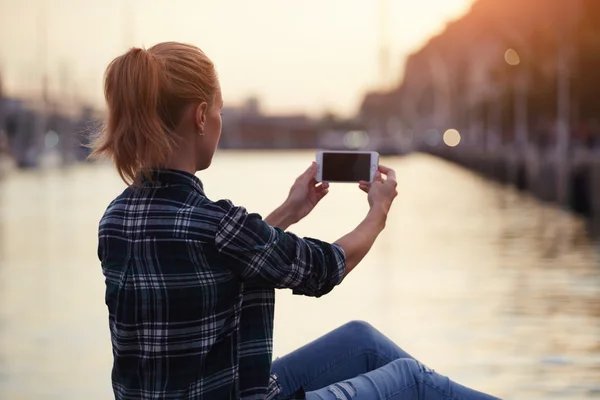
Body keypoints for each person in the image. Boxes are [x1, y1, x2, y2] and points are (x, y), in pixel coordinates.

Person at [91, 41, 500, 400]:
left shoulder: (115, 220)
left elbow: (219, 263)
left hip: (222, 385)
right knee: (409, 379)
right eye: (218, 111)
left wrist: (289, 211)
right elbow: (324, 269)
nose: (219, 122)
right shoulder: (215, 224)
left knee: (362, 342)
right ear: (200, 116)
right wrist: (379, 211)